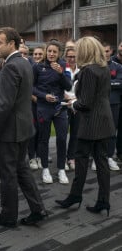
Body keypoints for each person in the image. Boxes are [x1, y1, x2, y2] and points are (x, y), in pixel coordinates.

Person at [0, 27, 47, 227]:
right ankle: (38, 209)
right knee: (22, 170)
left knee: (8, 175)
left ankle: (8, 216)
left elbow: (5, 105)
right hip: (23, 127)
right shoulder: (23, 62)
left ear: (11, 44)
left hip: (11, 131)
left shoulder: (10, 66)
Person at [56, 36, 115, 216]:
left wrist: (72, 104)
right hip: (104, 120)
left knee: (81, 160)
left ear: (85, 51)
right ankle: (103, 201)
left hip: (90, 123)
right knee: (102, 162)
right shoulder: (103, 68)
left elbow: (86, 103)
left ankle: (75, 196)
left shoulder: (88, 71)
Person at [33, 40, 72, 184]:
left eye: (54, 52)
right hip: (43, 107)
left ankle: (61, 169)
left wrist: (61, 74)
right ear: (46, 51)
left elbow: (68, 86)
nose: (51, 54)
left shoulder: (63, 65)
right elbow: (31, 87)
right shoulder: (37, 67)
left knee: (62, 138)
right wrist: (44, 96)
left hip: (60, 108)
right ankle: (45, 169)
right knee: (43, 138)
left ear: (59, 53)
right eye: (49, 51)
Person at [64, 46, 80, 170]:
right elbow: (59, 86)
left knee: (75, 133)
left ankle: (71, 157)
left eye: (74, 56)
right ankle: (63, 158)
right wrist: (68, 98)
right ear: (66, 57)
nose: (72, 59)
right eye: (70, 56)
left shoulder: (82, 70)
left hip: (77, 104)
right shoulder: (62, 69)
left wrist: (75, 100)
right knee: (62, 134)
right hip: (64, 104)